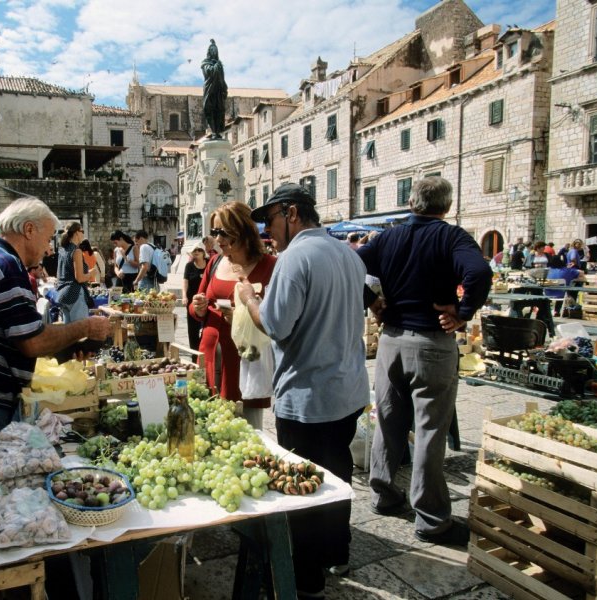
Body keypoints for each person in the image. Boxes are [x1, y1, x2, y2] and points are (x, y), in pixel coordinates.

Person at [234, 182, 370, 597]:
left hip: (308, 396)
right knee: (338, 474)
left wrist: (247, 298)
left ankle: (308, 578)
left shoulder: (294, 258)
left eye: (270, 221)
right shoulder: (348, 254)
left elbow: (275, 324)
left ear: (291, 213)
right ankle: (337, 550)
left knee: (305, 488)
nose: (266, 232)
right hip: (346, 391)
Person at [356, 176, 492, 546]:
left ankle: (383, 494)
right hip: (432, 343)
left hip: (391, 343)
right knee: (431, 431)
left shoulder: (389, 236)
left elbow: (349, 263)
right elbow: (479, 272)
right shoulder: (452, 236)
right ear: (445, 206)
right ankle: (431, 519)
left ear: (412, 203)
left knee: (388, 421)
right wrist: (463, 311)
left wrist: (373, 301)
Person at [0, 199, 111, 469]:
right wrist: (84, 327)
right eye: (47, 237)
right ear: (28, 230)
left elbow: (17, 333)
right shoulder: (7, 267)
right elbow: (31, 342)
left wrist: (67, 348)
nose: (49, 247)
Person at [188, 202, 276, 419]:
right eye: (215, 232)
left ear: (244, 230)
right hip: (210, 354)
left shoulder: (270, 266)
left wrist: (240, 315)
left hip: (245, 359)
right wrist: (197, 307)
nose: (218, 240)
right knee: (207, 422)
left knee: (247, 429)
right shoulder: (215, 262)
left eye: (224, 233)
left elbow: (275, 317)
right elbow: (196, 306)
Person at [56, 222, 91, 323]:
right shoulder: (77, 251)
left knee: (69, 334)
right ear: (76, 233)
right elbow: (79, 278)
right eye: (82, 231)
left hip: (63, 294)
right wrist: (91, 274)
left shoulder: (62, 250)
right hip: (75, 294)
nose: (83, 234)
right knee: (81, 333)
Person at [181, 242, 207, 352]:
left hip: (206, 301)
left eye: (199, 250)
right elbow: (185, 282)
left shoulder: (210, 263)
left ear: (203, 252)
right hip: (192, 302)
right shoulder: (189, 265)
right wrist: (184, 296)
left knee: (206, 329)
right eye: (194, 250)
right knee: (193, 330)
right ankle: (194, 354)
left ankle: (204, 352)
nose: (196, 252)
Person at [201, 38, 227, 138]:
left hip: (219, 90)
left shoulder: (219, 64)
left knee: (219, 110)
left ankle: (217, 131)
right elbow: (208, 72)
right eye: (212, 50)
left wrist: (224, 88)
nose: (214, 52)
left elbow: (222, 77)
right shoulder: (205, 63)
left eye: (216, 50)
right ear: (209, 52)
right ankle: (213, 131)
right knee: (209, 109)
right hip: (209, 90)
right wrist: (216, 66)